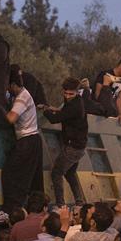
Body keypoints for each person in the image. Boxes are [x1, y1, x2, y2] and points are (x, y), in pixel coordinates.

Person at [1, 68, 42, 212]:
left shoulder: (22, 98)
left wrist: (1, 109)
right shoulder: (18, 95)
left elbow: (11, 118)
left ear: (13, 85)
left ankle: (13, 209)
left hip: (28, 141)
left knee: (12, 175)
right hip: (29, 141)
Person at [43, 77, 88, 205]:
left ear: (77, 92)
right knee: (70, 173)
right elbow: (64, 112)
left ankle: (60, 204)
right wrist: (56, 109)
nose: (67, 96)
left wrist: (45, 110)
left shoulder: (75, 106)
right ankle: (79, 202)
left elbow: (54, 119)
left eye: (71, 94)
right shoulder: (76, 101)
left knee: (57, 173)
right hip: (79, 145)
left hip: (73, 147)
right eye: (65, 93)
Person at [50, 203, 116, 241]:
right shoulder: (113, 236)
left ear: (93, 223)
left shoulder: (82, 237)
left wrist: (64, 226)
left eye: (87, 213)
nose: (83, 214)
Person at [93, 56, 121, 121]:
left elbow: (120, 98)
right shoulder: (105, 74)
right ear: (120, 65)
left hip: (111, 108)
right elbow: (97, 93)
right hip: (100, 107)